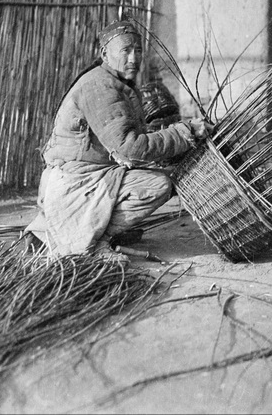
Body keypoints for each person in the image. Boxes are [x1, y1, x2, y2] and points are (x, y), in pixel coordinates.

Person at [24, 19, 212, 261]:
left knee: (159, 176)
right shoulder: (98, 86)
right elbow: (130, 147)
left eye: (138, 50)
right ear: (105, 53)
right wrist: (183, 133)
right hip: (76, 179)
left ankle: (85, 229)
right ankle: (93, 241)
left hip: (93, 172)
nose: (134, 58)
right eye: (126, 50)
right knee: (159, 186)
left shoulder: (114, 82)